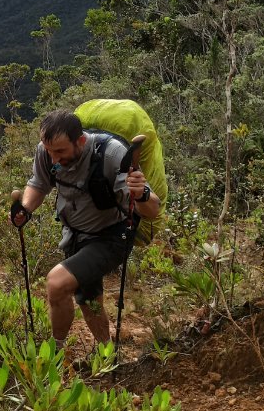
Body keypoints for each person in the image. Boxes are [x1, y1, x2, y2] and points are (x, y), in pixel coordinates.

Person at [10, 109, 162, 350]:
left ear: (80, 140)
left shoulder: (112, 153)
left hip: (112, 235)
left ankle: (55, 352)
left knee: (57, 284)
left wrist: (141, 192)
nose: (54, 159)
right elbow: (39, 183)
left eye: (60, 152)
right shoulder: (47, 150)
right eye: (49, 152)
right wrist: (25, 209)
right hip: (74, 234)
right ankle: (105, 352)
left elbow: (152, 210)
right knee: (88, 299)